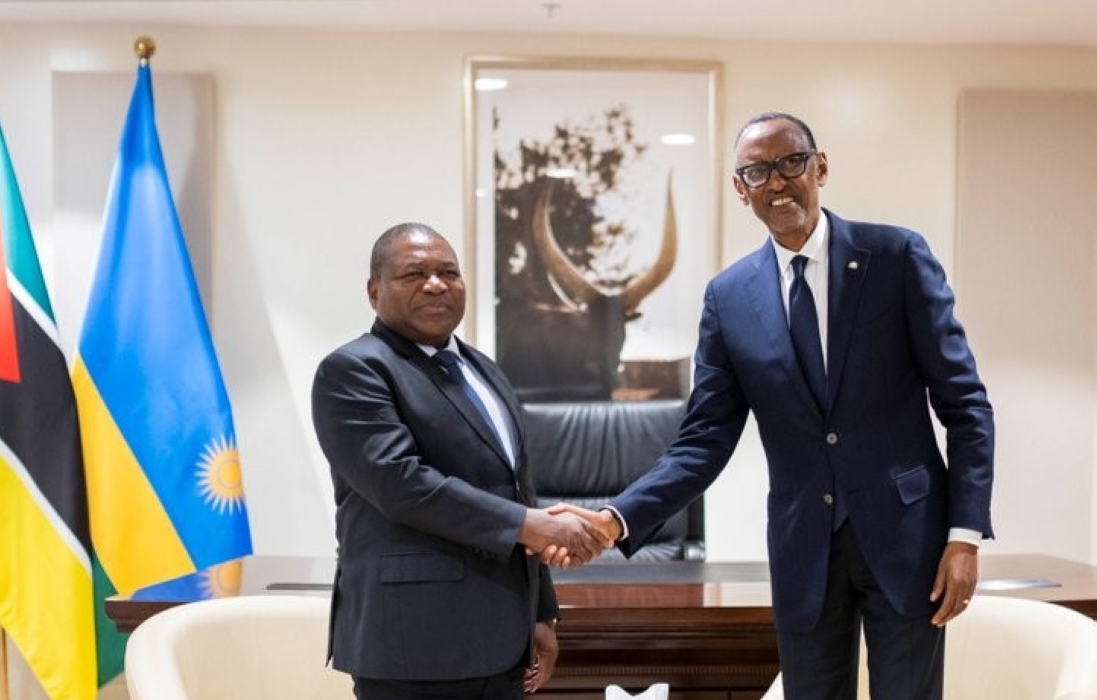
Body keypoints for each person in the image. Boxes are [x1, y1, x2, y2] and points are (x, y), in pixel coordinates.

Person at [554, 112, 995, 700]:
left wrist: (963, 536)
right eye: (757, 172)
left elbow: (965, 403)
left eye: (791, 163)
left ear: (820, 167)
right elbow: (703, 440)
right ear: (741, 189)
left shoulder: (897, 257)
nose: (778, 183)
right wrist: (616, 518)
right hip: (802, 548)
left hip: (910, 543)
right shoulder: (729, 297)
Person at [311, 222, 607, 700]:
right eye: (414, 274)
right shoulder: (354, 370)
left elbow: (518, 491)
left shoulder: (484, 370)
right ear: (374, 291)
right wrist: (530, 525)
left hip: (503, 642)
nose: (435, 284)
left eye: (449, 272)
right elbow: (401, 483)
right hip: (413, 646)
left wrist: (541, 611)